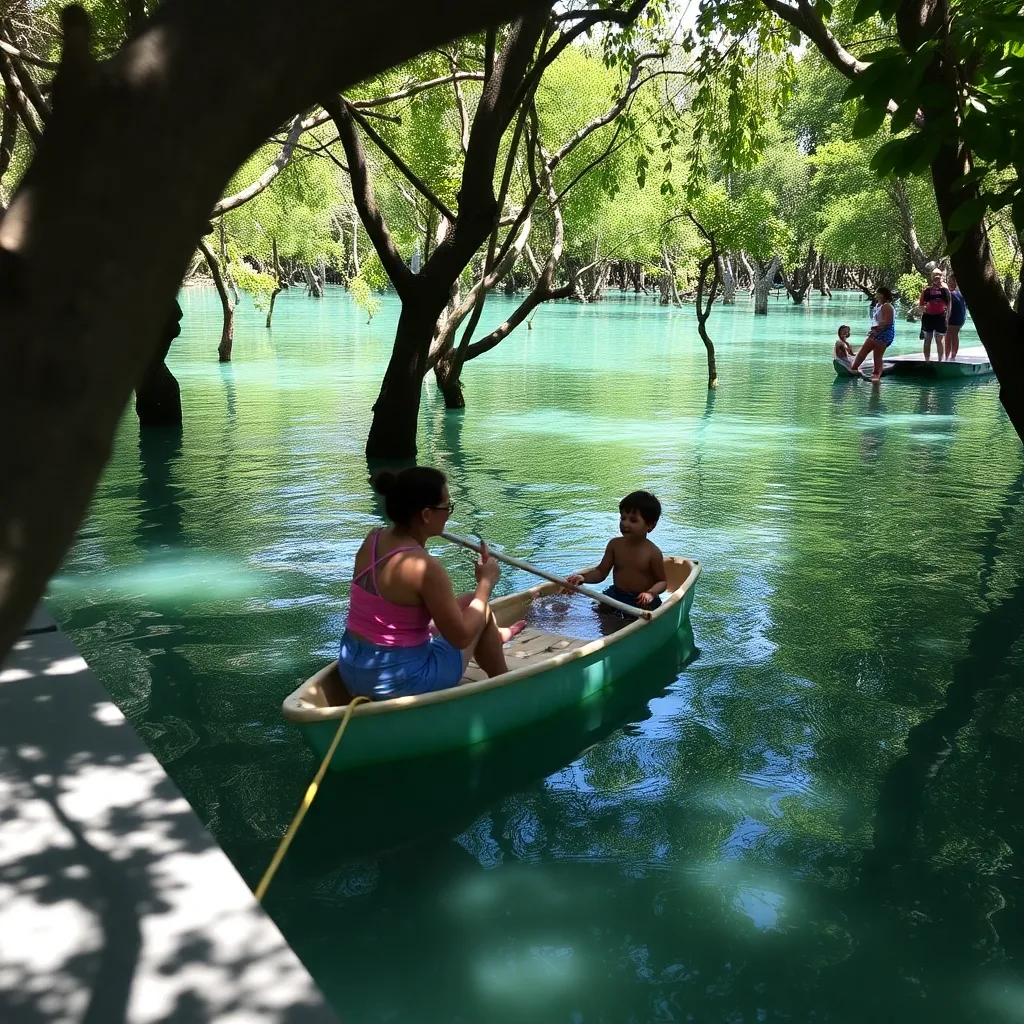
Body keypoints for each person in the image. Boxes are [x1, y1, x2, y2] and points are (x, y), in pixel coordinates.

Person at [337, 466, 525, 701]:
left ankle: (495, 637)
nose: (448, 513)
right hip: (402, 681)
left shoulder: (373, 539)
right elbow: (461, 637)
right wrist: (486, 583)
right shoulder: (425, 567)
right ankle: (505, 687)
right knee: (481, 608)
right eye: (447, 507)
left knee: (468, 601)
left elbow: (393, 611)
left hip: (352, 670)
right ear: (426, 515)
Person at [566, 490, 667, 610]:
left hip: (641, 600)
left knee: (631, 619)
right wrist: (583, 578)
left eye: (633, 520)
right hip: (616, 594)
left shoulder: (653, 553)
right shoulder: (614, 545)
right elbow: (601, 572)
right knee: (599, 612)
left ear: (651, 525)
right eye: (623, 518)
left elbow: (662, 582)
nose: (625, 524)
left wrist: (651, 593)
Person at [850, 286, 896, 383]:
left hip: (884, 333)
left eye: (878, 293)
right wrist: (874, 329)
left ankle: (876, 376)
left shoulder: (888, 306)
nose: (876, 295)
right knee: (864, 350)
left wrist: (876, 329)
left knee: (877, 355)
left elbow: (887, 323)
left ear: (882, 295)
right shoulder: (879, 305)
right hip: (876, 331)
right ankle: (854, 368)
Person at [919, 268, 951, 361]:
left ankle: (940, 360)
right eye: (934, 275)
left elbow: (949, 304)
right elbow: (921, 304)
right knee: (927, 340)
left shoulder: (945, 289)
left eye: (938, 275)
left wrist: (948, 317)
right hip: (928, 317)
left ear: (941, 276)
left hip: (940, 316)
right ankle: (927, 360)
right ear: (931, 276)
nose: (936, 276)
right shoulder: (927, 289)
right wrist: (922, 309)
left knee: (939, 340)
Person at [946, 272, 966, 360]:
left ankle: (952, 356)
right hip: (952, 316)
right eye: (951, 281)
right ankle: (947, 356)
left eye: (954, 281)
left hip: (957, 316)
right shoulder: (948, 291)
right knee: (948, 336)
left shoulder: (958, 292)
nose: (952, 282)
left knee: (953, 335)